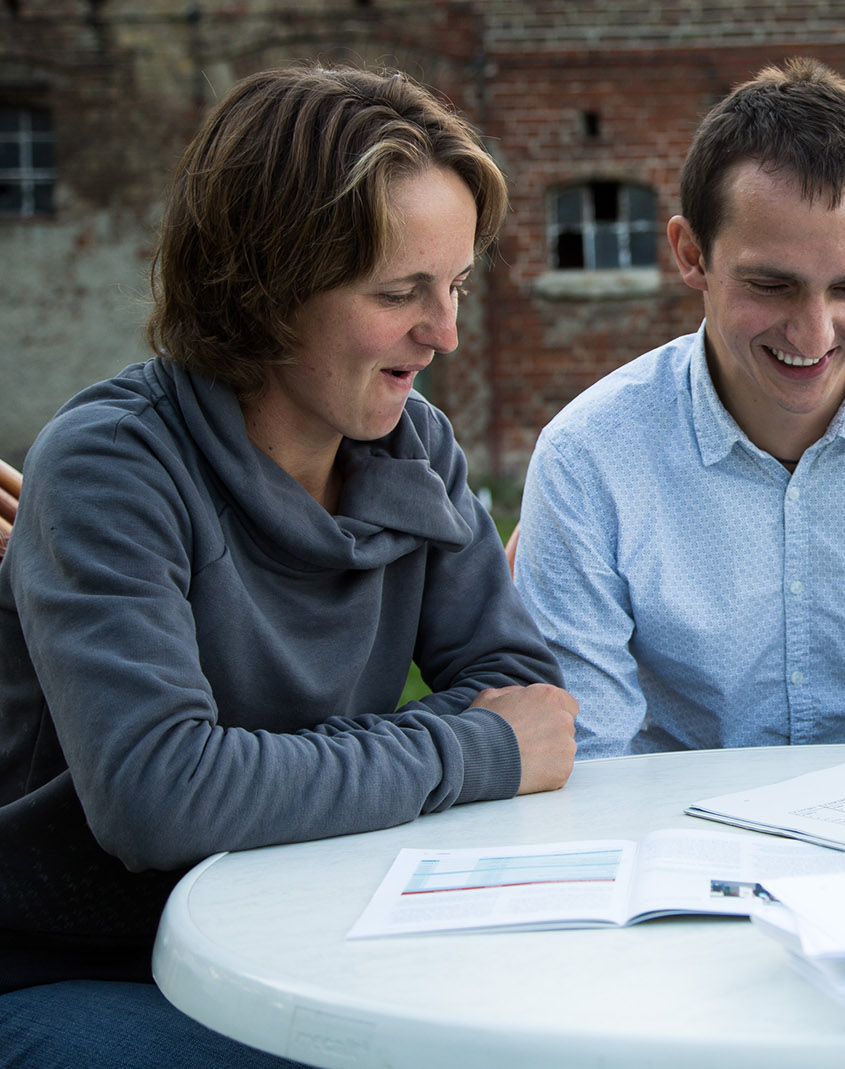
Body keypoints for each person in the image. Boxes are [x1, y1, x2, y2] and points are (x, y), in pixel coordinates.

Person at [0, 66, 578, 1065]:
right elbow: (161, 795)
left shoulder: (416, 448)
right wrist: (463, 752)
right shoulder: (111, 465)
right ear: (266, 287)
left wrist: (275, 775)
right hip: (87, 966)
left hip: (308, 934)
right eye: (400, 293)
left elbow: (528, 700)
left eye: (454, 288)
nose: (443, 333)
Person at [513, 58, 845, 758]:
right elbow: (587, 765)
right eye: (772, 285)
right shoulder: (587, 461)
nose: (814, 334)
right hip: (672, 844)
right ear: (691, 254)